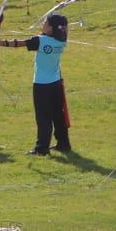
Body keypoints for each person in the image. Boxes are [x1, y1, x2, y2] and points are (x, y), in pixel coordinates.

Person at [19, 14, 73, 156]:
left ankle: (42, 147)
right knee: (57, 115)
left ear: (51, 28)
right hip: (56, 84)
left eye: (45, 23)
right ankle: (63, 144)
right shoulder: (62, 41)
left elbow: (20, 43)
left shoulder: (41, 40)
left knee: (43, 117)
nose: (42, 23)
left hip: (42, 85)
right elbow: (61, 31)